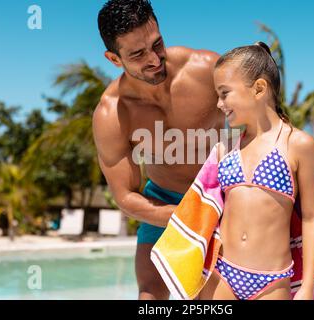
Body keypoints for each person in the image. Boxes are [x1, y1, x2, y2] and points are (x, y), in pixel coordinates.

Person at [93, 0, 224, 300]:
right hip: (163, 202)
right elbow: (125, 197)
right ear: (114, 59)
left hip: (222, 196)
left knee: (214, 298)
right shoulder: (112, 114)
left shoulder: (206, 70)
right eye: (138, 54)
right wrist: (189, 216)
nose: (154, 58)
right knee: (149, 296)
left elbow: (265, 119)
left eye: (157, 44)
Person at [198, 42, 314, 300]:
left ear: (258, 89)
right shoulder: (227, 148)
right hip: (222, 273)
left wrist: (307, 286)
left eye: (224, 93)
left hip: (272, 281)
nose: (219, 103)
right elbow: (205, 207)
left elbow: (313, 218)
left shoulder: (299, 145)